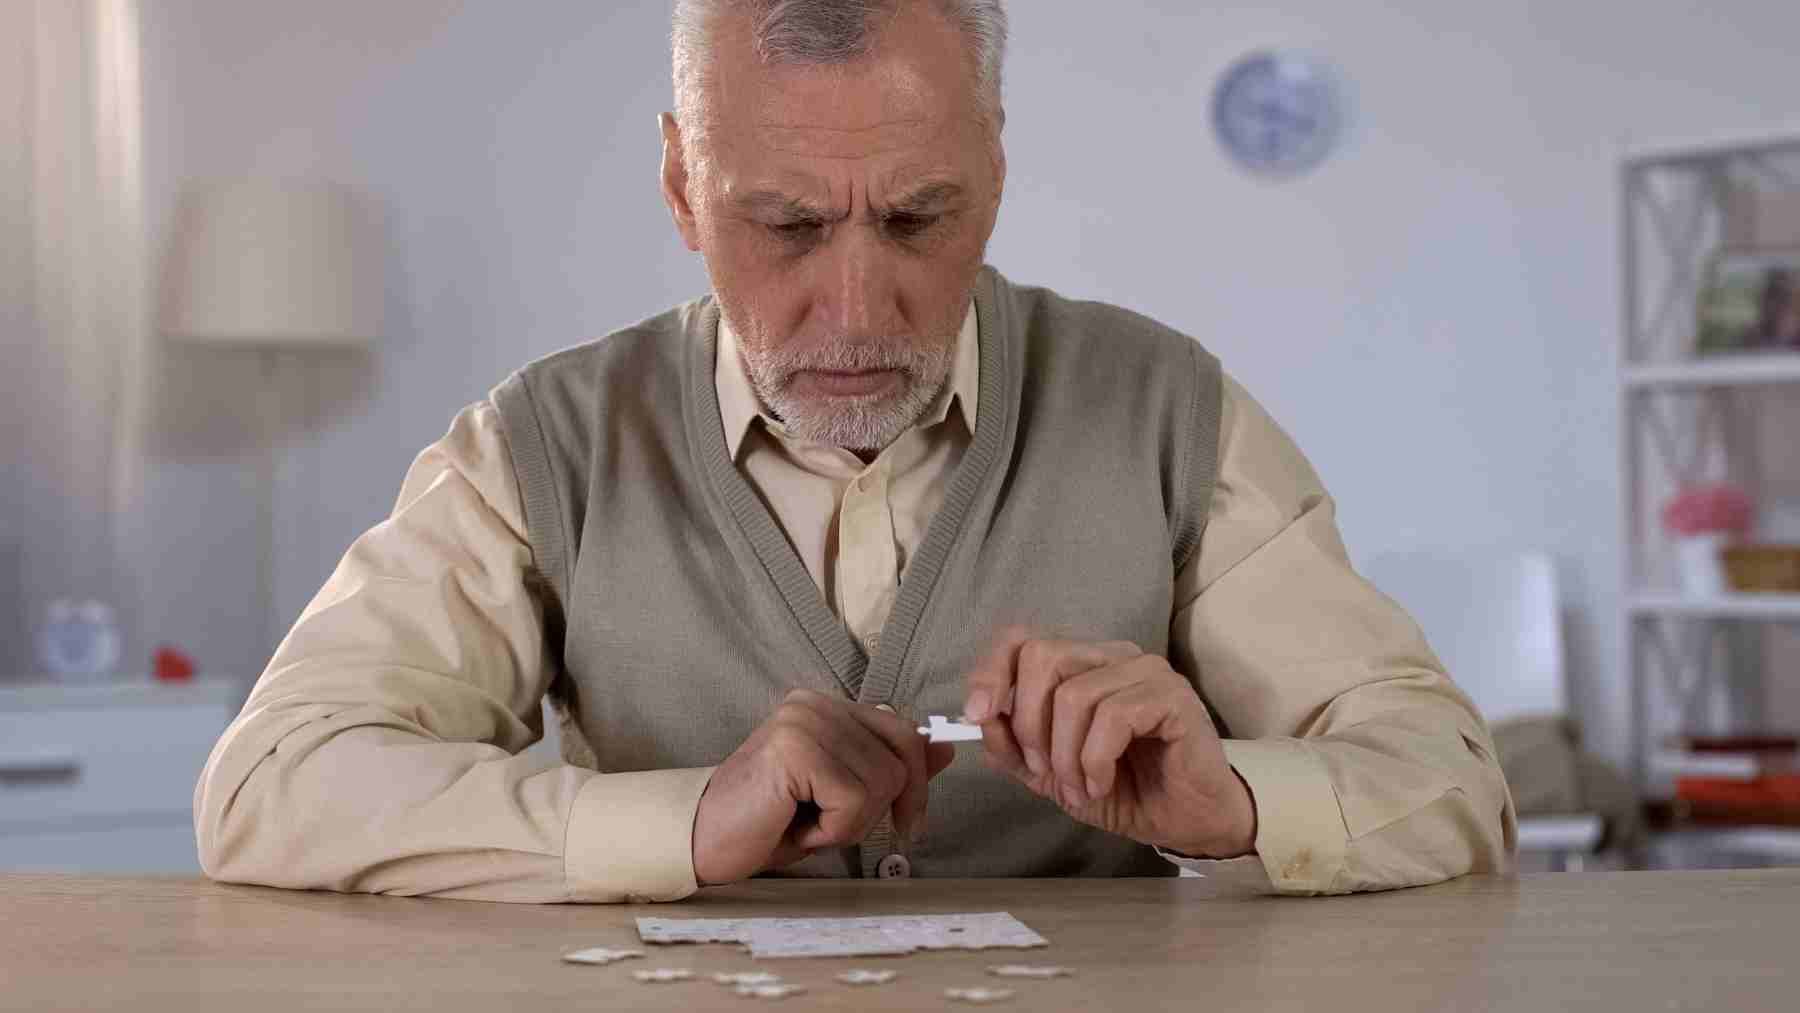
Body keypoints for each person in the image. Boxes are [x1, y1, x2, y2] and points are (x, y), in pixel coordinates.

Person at [195, 0, 1514, 903]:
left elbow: (1452, 785)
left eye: (919, 218)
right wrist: (690, 823)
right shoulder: (544, 445)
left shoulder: (1165, 408)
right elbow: (270, 784)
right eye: (783, 226)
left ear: (993, 174)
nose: (857, 309)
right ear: (680, 190)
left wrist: (1234, 803)